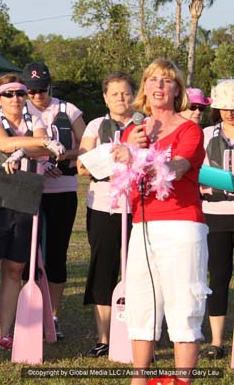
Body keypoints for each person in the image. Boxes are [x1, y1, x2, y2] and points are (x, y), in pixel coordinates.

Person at [112, 59, 207, 385]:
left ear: (177, 89)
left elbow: (178, 168)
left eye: (166, 81)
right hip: (142, 226)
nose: (158, 86)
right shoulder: (133, 131)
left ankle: (182, 381)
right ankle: (139, 379)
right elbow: (114, 178)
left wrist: (141, 155)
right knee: (141, 303)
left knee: (184, 306)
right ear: (144, 89)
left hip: (182, 227)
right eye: (152, 79)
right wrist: (126, 151)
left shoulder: (190, 130)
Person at [0, 74, 65, 358]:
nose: (16, 99)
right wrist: (29, 146)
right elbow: (2, 143)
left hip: (24, 197)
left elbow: (44, 147)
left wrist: (31, 146)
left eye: (21, 94)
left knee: (15, 270)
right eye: (8, 94)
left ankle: (4, 334)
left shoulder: (36, 118)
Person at [21, 62, 86, 339]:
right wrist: (39, 163)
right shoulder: (18, 109)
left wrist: (62, 157)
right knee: (24, 257)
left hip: (61, 189)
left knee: (56, 255)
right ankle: (28, 315)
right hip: (26, 189)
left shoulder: (67, 110)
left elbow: (86, 145)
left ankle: (54, 316)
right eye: (32, 91)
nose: (37, 96)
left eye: (42, 90)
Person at [77, 71, 135, 357]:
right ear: (105, 97)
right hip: (103, 206)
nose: (120, 98)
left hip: (139, 207)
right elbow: (82, 165)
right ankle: (104, 338)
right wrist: (110, 162)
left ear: (134, 95)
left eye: (125, 92)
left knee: (138, 272)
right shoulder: (96, 125)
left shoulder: (146, 125)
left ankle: (139, 334)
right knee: (104, 270)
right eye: (114, 94)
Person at [199, 79, 234, 360]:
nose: (230, 113)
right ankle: (217, 340)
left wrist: (218, 181)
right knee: (219, 278)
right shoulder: (206, 134)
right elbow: (197, 173)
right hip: (215, 215)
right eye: (224, 107)